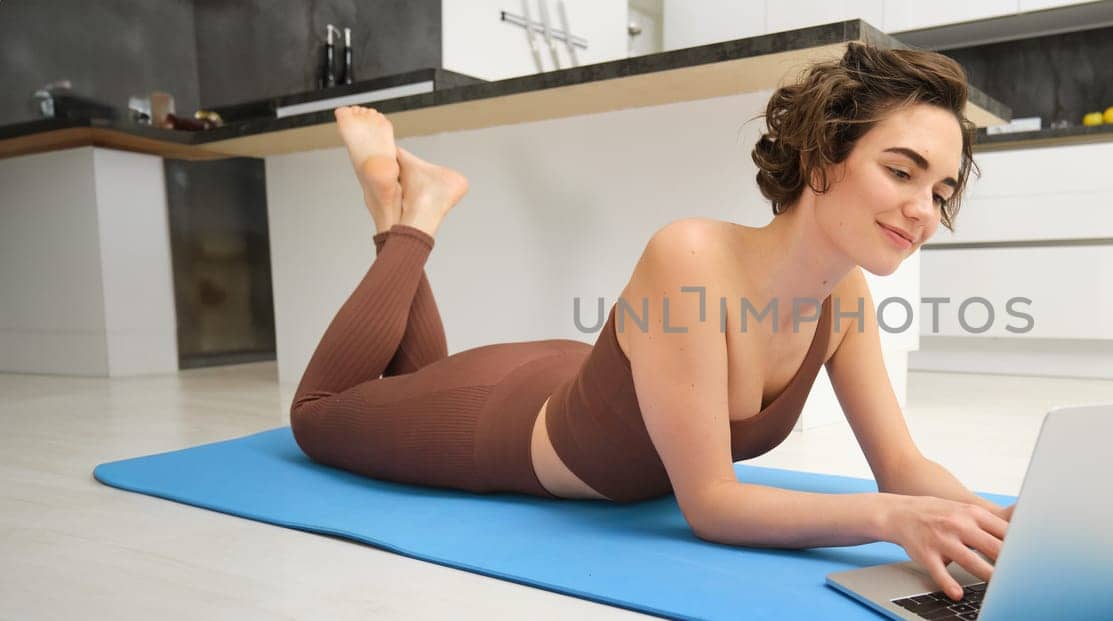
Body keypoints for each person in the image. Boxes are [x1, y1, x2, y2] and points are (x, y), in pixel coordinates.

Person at [289, 41, 1009, 601]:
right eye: (902, 171)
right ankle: (409, 216)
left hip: (575, 376)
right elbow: (712, 503)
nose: (925, 210)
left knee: (413, 381)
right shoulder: (690, 257)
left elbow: (902, 467)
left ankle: (396, 202)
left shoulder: (845, 298)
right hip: (498, 416)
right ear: (825, 153)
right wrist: (886, 518)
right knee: (318, 415)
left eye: (942, 190)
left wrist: (1018, 534)